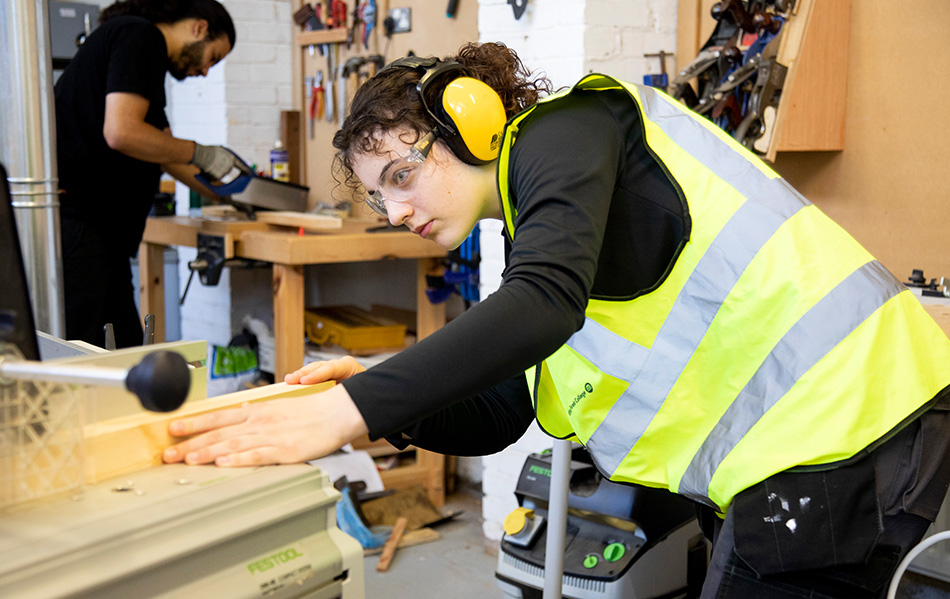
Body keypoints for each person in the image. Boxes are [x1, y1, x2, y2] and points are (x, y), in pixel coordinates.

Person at [163, 42, 950, 598]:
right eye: (381, 196)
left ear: (471, 121)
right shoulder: (551, 231)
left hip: (855, 422)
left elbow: (541, 303)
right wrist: (373, 399)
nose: (397, 210)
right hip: (819, 446)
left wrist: (343, 412)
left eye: (403, 175)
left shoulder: (566, 131)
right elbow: (504, 409)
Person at [55, 0, 245, 348]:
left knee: (124, 352)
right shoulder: (140, 36)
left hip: (100, 234)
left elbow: (163, 151)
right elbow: (122, 132)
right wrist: (200, 151)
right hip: (82, 229)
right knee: (76, 358)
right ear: (199, 28)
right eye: (213, 57)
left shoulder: (139, 49)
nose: (205, 72)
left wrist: (236, 193)